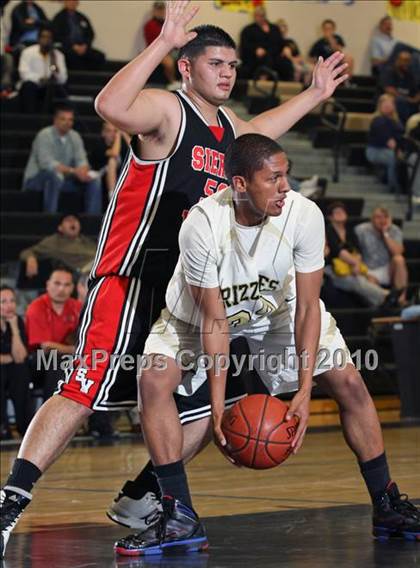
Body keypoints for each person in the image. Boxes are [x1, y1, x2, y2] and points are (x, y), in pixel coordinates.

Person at [0, 0, 350, 557]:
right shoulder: (169, 109)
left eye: (231, 64)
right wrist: (163, 41)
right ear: (189, 69)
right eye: (215, 63)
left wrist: (314, 95)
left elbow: (259, 130)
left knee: (208, 406)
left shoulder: (228, 129)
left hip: (184, 292)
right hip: (133, 277)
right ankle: (10, 502)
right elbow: (109, 104)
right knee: (82, 386)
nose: (227, 72)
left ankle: (146, 496)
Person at [113, 134, 419, 555]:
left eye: (286, 175)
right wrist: (218, 409)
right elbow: (215, 320)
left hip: (276, 311)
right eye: (273, 178)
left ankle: (387, 505)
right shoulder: (202, 225)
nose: (285, 187)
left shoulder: (304, 214)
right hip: (197, 314)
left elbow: (308, 307)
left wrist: (307, 390)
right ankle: (178, 514)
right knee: (153, 379)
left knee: (349, 382)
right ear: (239, 184)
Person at [22, 104, 103, 214]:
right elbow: (46, 164)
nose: (67, 122)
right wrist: (74, 171)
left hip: (65, 180)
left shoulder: (75, 136)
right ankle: (49, 220)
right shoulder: (44, 135)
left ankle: (93, 223)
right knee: (54, 176)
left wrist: (83, 171)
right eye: (63, 119)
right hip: (36, 179)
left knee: (94, 180)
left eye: (70, 120)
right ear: (55, 120)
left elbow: (82, 160)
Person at [25, 267, 81, 401]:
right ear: (48, 285)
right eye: (57, 283)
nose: (61, 289)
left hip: (69, 360)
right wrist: (75, 350)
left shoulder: (78, 307)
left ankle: (98, 420)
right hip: (37, 361)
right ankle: (51, 411)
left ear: (72, 287)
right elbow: (46, 347)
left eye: (66, 285)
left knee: (98, 362)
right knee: (57, 360)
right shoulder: (37, 306)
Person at [324, 201, 389, 308]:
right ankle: (385, 295)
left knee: (368, 278)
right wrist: (355, 263)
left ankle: (381, 305)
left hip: (352, 266)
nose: (340, 213)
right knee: (357, 281)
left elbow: (358, 250)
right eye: (337, 212)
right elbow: (338, 251)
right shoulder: (328, 230)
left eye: (342, 211)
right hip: (334, 270)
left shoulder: (350, 230)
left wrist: (357, 264)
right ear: (331, 217)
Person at [355, 207, 408, 303]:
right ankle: (385, 302)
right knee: (369, 285)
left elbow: (398, 252)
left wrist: (385, 233)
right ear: (372, 219)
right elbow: (354, 250)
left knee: (399, 259)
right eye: (378, 217)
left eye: (385, 217)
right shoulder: (361, 230)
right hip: (368, 269)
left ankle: (401, 298)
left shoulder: (394, 230)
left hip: (387, 269)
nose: (382, 220)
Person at [19, 214, 97, 279]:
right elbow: (28, 252)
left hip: (97, 268)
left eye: (75, 220)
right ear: (60, 228)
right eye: (68, 220)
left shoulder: (86, 241)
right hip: (81, 275)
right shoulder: (54, 242)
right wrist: (31, 258)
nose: (73, 222)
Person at [0, 286, 32, 440]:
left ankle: (25, 428)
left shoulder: (17, 320)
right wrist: (6, 358)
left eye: (12, 301)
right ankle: (3, 429)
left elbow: (20, 356)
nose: (9, 305)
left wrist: (14, 328)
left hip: (13, 369)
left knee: (21, 370)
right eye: (3, 302)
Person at [18, 25, 67, 114]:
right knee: (28, 86)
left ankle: (47, 118)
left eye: (49, 37)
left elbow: (63, 79)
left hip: (48, 87)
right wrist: (39, 79)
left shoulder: (58, 55)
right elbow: (23, 72)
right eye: (43, 37)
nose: (46, 40)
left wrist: (54, 61)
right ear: (38, 39)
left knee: (55, 89)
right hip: (33, 85)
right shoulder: (28, 52)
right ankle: (30, 118)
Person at [239, 6, 293, 80]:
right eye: (258, 15)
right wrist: (255, 49)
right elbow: (245, 46)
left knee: (286, 62)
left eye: (262, 15)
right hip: (257, 58)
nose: (260, 18)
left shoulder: (274, 28)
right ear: (254, 16)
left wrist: (286, 47)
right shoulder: (248, 30)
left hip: (275, 57)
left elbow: (282, 42)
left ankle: (290, 86)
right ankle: (263, 82)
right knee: (266, 60)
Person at [51, 0, 105, 71]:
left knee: (99, 56)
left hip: (83, 46)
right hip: (68, 47)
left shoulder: (82, 17)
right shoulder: (59, 18)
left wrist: (85, 45)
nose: (72, 3)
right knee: (72, 56)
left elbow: (90, 34)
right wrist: (72, 46)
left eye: (74, 1)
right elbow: (57, 35)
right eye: (70, 1)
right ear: (65, 2)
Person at [366, 94, 404, 193]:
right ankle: (393, 187)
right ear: (380, 106)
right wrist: (399, 152)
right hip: (375, 150)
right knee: (393, 157)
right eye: (385, 103)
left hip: (391, 150)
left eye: (390, 103)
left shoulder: (396, 121)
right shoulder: (377, 121)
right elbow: (389, 142)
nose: (387, 105)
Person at [88, 122, 130, 200]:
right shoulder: (99, 145)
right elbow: (114, 153)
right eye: (109, 131)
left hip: (119, 177)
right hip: (100, 178)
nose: (113, 134)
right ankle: (112, 197)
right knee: (112, 161)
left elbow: (133, 149)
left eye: (115, 131)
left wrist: (123, 132)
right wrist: (118, 136)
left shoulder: (121, 145)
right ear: (103, 133)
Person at [382, 51, 420, 125]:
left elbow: (416, 90)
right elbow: (389, 89)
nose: (406, 63)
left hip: (409, 102)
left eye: (408, 61)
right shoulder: (389, 71)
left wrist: (416, 98)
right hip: (392, 100)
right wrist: (408, 99)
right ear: (398, 60)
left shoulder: (409, 75)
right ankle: (402, 127)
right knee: (400, 101)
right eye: (404, 60)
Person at [144, 1, 177, 85]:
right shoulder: (149, 25)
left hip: (170, 50)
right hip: (157, 51)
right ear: (154, 11)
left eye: (162, 10)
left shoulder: (167, 24)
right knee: (169, 63)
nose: (160, 12)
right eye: (158, 10)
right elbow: (153, 43)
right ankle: (172, 82)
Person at [276, 18, 311, 84]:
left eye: (284, 26)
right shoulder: (277, 42)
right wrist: (293, 59)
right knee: (298, 69)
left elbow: (299, 54)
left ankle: (306, 88)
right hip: (288, 64)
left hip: (297, 61)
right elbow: (285, 56)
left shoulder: (291, 41)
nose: (283, 29)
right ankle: (295, 88)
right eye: (280, 26)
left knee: (309, 69)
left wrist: (300, 59)